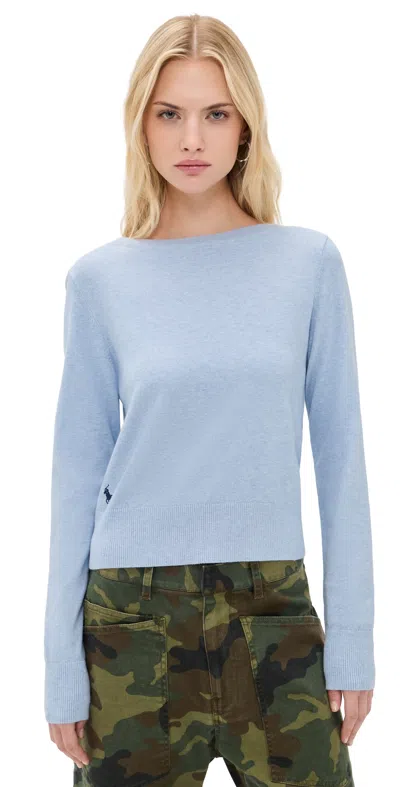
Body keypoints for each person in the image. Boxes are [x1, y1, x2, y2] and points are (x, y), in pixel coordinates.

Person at [44, 13, 375, 787]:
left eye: (215, 113)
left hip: (273, 615)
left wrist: (355, 642)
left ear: (245, 125)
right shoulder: (100, 281)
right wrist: (60, 665)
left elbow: (344, 462)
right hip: (132, 622)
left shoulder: (307, 264)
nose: (192, 138)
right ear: (141, 124)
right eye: (170, 113)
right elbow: (74, 479)